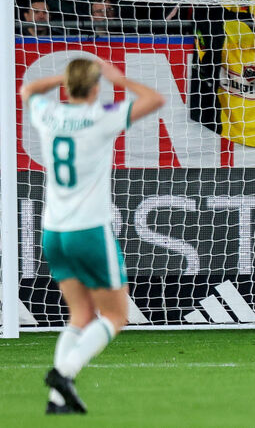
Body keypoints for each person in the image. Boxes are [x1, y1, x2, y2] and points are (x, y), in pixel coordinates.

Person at [20, 59, 165, 413]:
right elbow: (155, 99)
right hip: (89, 230)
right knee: (115, 316)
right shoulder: (102, 116)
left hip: (53, 231)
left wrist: (63, 77)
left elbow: (28, 90)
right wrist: (120, 78)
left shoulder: (50, 114)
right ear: (97, 86)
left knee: (80, 315)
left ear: (68, 86)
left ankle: (57, 401)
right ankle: (63, 373)